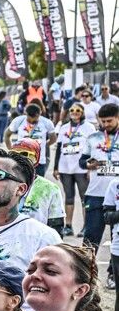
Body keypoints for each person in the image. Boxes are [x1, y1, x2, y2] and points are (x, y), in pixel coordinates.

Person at [81, 102, 119, 252]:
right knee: (90, 238)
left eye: (109, 121)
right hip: (96, 194)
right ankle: (86, 267)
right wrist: (88, 165)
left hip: (116, 196)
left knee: (117, 239)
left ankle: (114, 267)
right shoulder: (93, 137)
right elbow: (82, 161)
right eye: (103, 121)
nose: (106, 124)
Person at [54, 101, 94, 235]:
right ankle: (68, 226)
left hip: (81, 168)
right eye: (72, 110)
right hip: (65, 167)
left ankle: (86, 226)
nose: (74, 113)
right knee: (69, 197)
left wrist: (90, 168)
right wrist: (55, 167)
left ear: (82, 113)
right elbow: (59, 148)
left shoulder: (89, 127)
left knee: (84, 198)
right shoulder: (64, 127)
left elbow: (93, 148)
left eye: (78, 110)